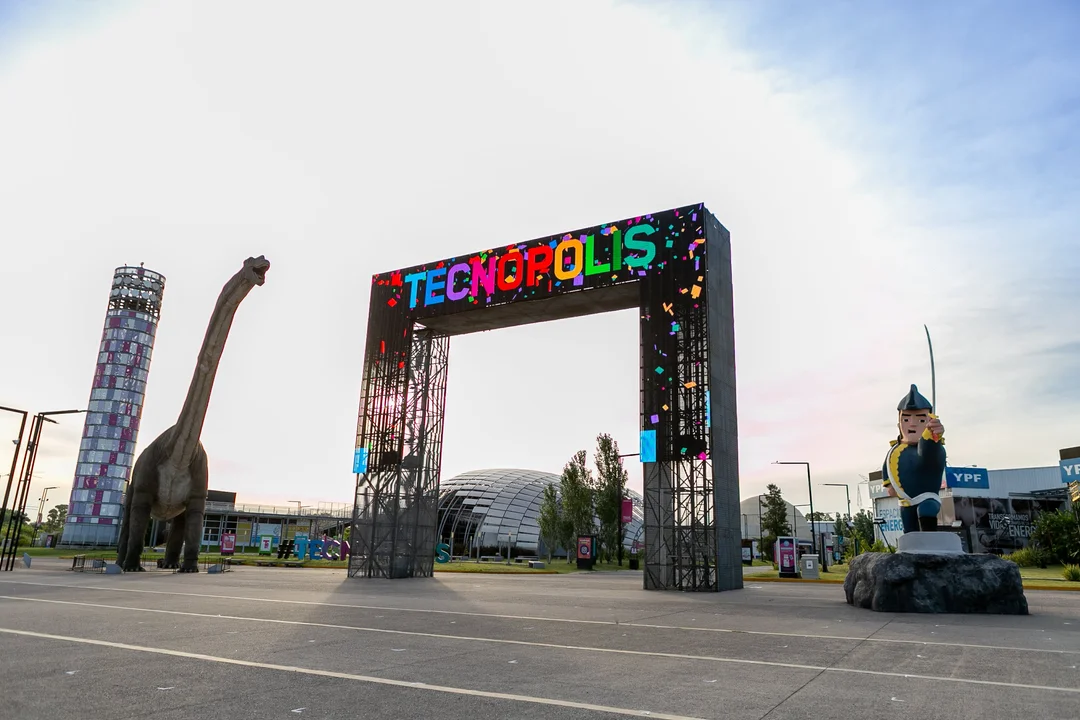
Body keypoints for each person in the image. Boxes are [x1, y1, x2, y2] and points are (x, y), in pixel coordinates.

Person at [881, 384, 946, 533]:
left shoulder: (930, 447)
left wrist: (931, 435)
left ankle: (930, 539)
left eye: (921, 420)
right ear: (899, 423)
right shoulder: (894, 449)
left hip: (927, 498)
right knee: (909, 532)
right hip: (906, 503)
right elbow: (887, 466)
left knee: (926, 511)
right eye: (906, 419)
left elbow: (928, 451)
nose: (912, 423)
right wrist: (889, 484)